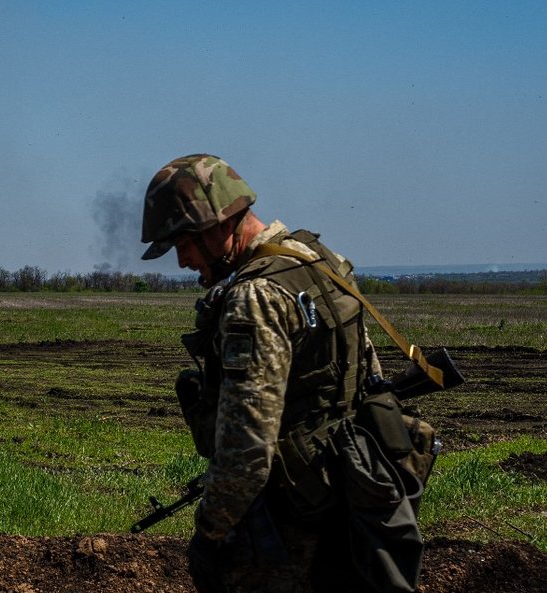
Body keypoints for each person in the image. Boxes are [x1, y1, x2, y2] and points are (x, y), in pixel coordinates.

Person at [141, 154, 401, 593]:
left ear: (219, 223)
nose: (182, 261)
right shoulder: (318, 260)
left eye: (182, 243)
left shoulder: (254, 297)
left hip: (290, 528)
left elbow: (247, 445)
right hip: (355, 498)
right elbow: (368, 375)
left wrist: (210, 533)